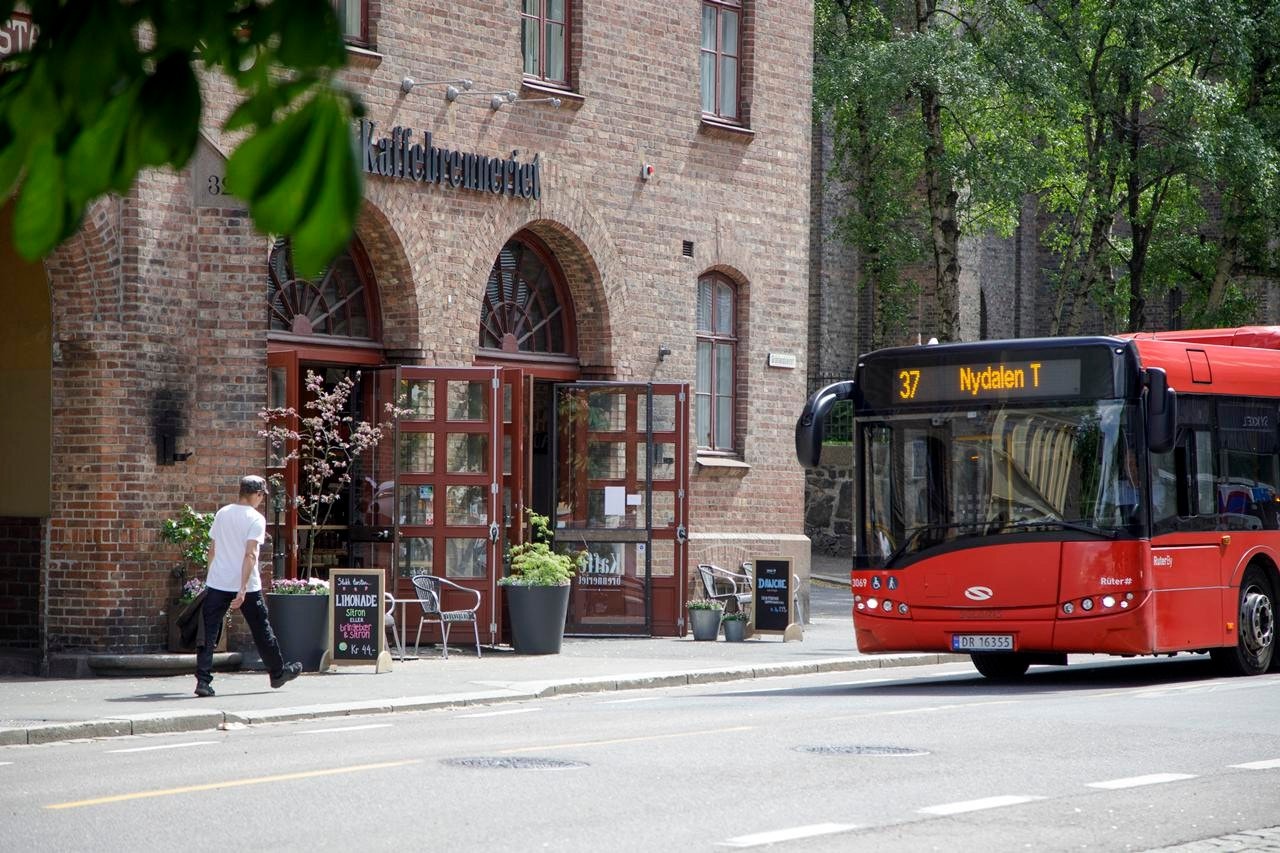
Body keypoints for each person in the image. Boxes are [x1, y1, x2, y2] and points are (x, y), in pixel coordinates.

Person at [194, 475, 301, 698]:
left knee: (209, 632)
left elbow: (212, 550)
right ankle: (277, 673)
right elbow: (250, 554)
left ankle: (203, 681)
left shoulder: (222, 513)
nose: (261, 500)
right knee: (262, 629)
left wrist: (210, 578)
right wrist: (242, 589)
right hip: (247, 585)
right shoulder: (256, 519)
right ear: (257, 494)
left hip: (218, 582)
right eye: (262, 496)